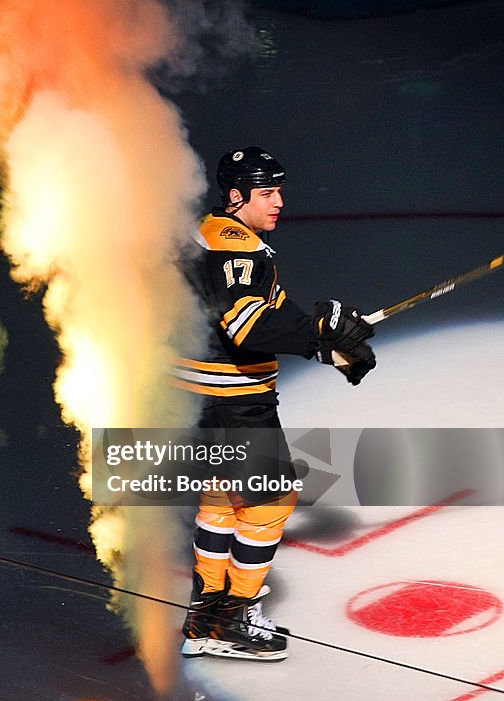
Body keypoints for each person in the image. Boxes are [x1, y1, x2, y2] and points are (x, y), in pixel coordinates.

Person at [172, 146, 376, 661]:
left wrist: (330, 347)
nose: (280, 201)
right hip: (233, 401)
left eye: (280, 190)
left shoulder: (218, 234)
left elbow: (269, 311)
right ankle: (231, 621)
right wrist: (321, 330)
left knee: (222, 500)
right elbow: (247, 326)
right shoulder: (236, 247)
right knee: (269, 501)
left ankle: (206, 617)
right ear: (237, 196)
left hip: (198, 397)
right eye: (268, 192)